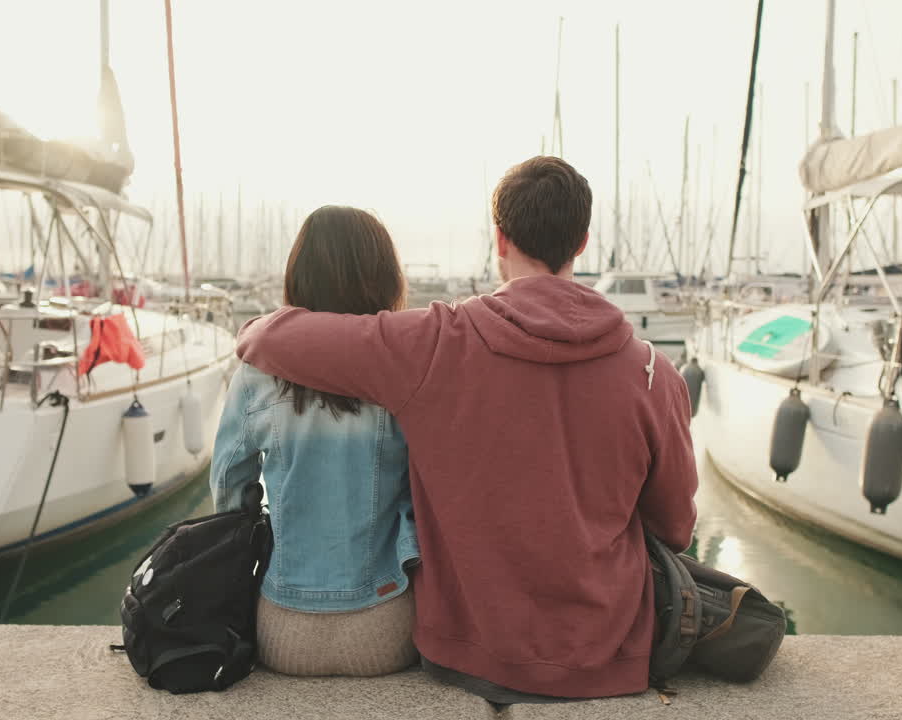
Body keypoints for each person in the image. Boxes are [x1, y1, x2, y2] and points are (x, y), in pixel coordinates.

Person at [234, 156, 699, 702]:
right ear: (582, 242)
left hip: (465, 651)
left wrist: (256, 324)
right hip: (609, 653)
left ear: (499, 240)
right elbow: (674, 530)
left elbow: (273, 342)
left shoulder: (437, 344)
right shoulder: (654, 373)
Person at [210, 205, 419, 677]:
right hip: (385, 623)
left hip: (284, 627)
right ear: (385, 276)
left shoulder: (258, 371)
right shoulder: (404, 370)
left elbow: (227, 487)